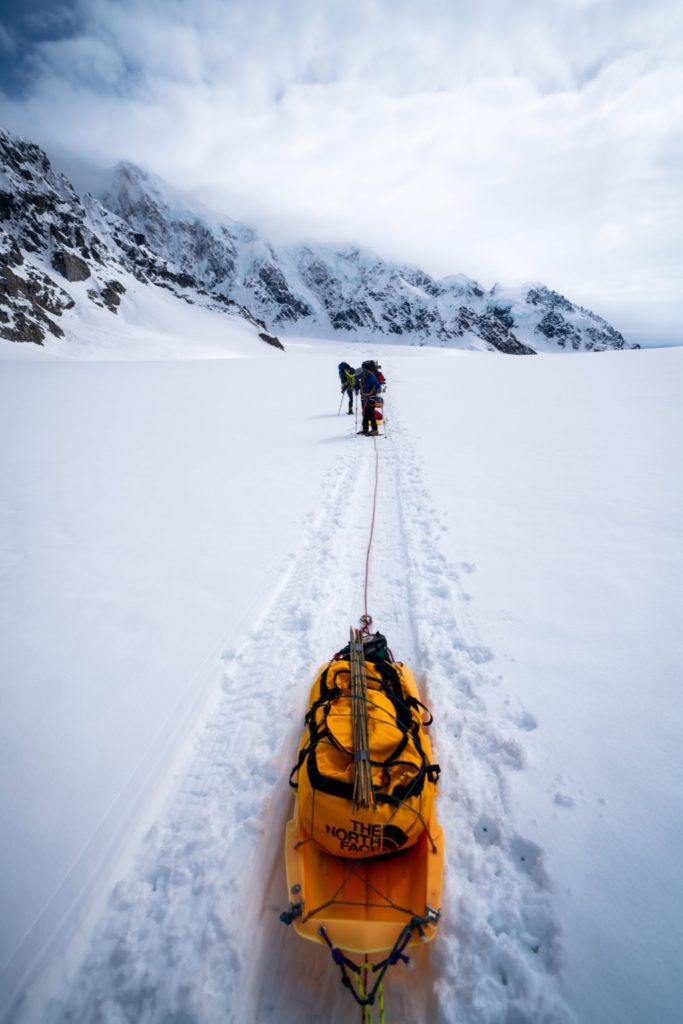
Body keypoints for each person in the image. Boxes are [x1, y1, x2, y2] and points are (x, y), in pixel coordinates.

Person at [356, 363, 381, 435]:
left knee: (370, 412)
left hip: (372, 395)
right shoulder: (358, 377)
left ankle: (375, 430)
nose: (359, 378)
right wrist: (356, 389)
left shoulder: (370, 375)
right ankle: (365, 429)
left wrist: (379, 388)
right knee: (364, 413)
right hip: (363, 396)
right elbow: (356, 385)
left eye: (360, 377)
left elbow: (377, 383)